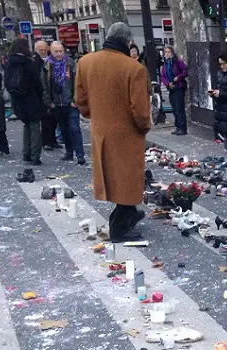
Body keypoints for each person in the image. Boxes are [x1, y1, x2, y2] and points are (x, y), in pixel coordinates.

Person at [76, 22, 151, 243]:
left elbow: (80, 100)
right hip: (127, 132)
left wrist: (97, 115)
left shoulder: (85, 62)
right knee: (127, 178)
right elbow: (140, 109)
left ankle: (128, 215)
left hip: (100, 130)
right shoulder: (134, 68)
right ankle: (119, 226)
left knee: (115, 178)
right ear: (128, 42)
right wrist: (144, 127)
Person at [5, 38, 45, 165]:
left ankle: (26, 154)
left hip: (17, 99)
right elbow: (37, 83)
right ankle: (35, 155)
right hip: (31, 98)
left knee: (26, 125)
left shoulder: (9, 63)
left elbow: (6, 82)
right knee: (34, 126)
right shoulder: (29, 63)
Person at [42, 41, 83, 164]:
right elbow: (44, 85)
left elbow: (78, 82)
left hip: (70, 102)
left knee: (75, 128)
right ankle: (69, 152)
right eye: (56, 52)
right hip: (56, 103)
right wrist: (49, 103)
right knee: (64, 130)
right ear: (51, 52)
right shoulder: (47, 66)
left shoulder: (70, 63)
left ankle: (80, 154)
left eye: (61, 51)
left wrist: (75, 100)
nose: (59, 54)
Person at [33, 41, 58, 151]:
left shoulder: (51, 60)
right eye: (40, 50)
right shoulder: (35, 62)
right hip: (41, 93)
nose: (43, 52)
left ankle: (53, 140)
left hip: (52, 91)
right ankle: (46, 141)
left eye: (44, 50)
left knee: (54, 119)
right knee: (45, 119)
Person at [160, 45, 188, 135]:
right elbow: (163, 76)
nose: (167, 54)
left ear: (172, 53)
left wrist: (178, 78)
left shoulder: (177, 62)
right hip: (171, 87)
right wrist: (167, 83)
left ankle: (182, 127)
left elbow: (186, 71)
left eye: (169, 52)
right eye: (166, 52)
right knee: (174, 108)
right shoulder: (165, 64)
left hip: (178, 86)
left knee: (179, 107)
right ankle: (177, 126)